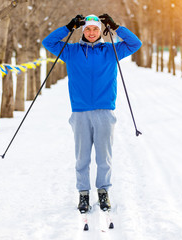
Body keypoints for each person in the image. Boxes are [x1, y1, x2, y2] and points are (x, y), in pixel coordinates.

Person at [42, 14, 142, 213]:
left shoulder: (111, 50)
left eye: (95, 29)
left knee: (104, 157)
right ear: (82, 31)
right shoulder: (71, 51)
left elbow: (135, 43)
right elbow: (48, 42)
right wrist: (67, 27)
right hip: (80, 112)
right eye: (87, 29)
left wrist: (116, 27)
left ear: (100, 31)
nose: (91, 32)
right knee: (82, 157)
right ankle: (83, 194)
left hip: (105, 111)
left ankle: (103, 192)